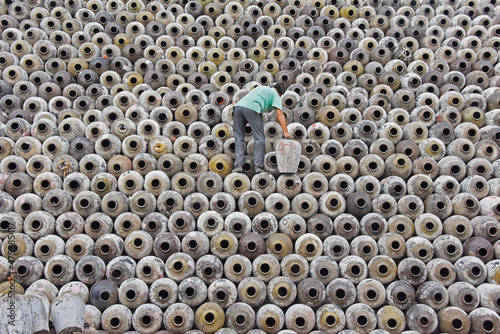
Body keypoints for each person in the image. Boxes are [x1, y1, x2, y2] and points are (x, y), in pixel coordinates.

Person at [232, 83, 292, 173]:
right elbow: (279, 113)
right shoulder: (275, 95)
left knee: (239, 138)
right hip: (252, 108)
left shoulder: (262, 88)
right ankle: (258, 167)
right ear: (281, 94)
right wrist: (285, 131)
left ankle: (238, 165)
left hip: (238, 108)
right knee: (259, 139)